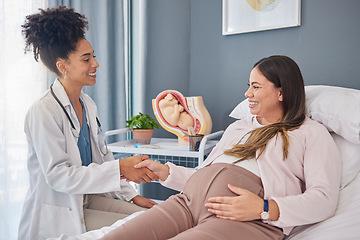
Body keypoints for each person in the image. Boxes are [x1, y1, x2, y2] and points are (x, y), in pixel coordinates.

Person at [100, 55, 342, 240]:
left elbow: (324, 199)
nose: (247, 93)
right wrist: (165, 172)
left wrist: (265, 208)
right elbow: (205, 173)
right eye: (248, 85)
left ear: (281, 92)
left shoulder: (310, 133)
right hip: (188, 202)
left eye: (256, 87)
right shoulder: (239, 127)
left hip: (245, 220)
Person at [19, 6, 158, 240]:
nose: (96, 64)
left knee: (153, 218)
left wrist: (133, 196)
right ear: (63, 66)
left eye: (94, 56)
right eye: (86, 59)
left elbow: (103, 160)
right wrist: (121, 169)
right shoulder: (43, 111)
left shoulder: (88, 104)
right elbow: (59, 176)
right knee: (145, 230)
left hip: (88, 198)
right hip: (61, 211)